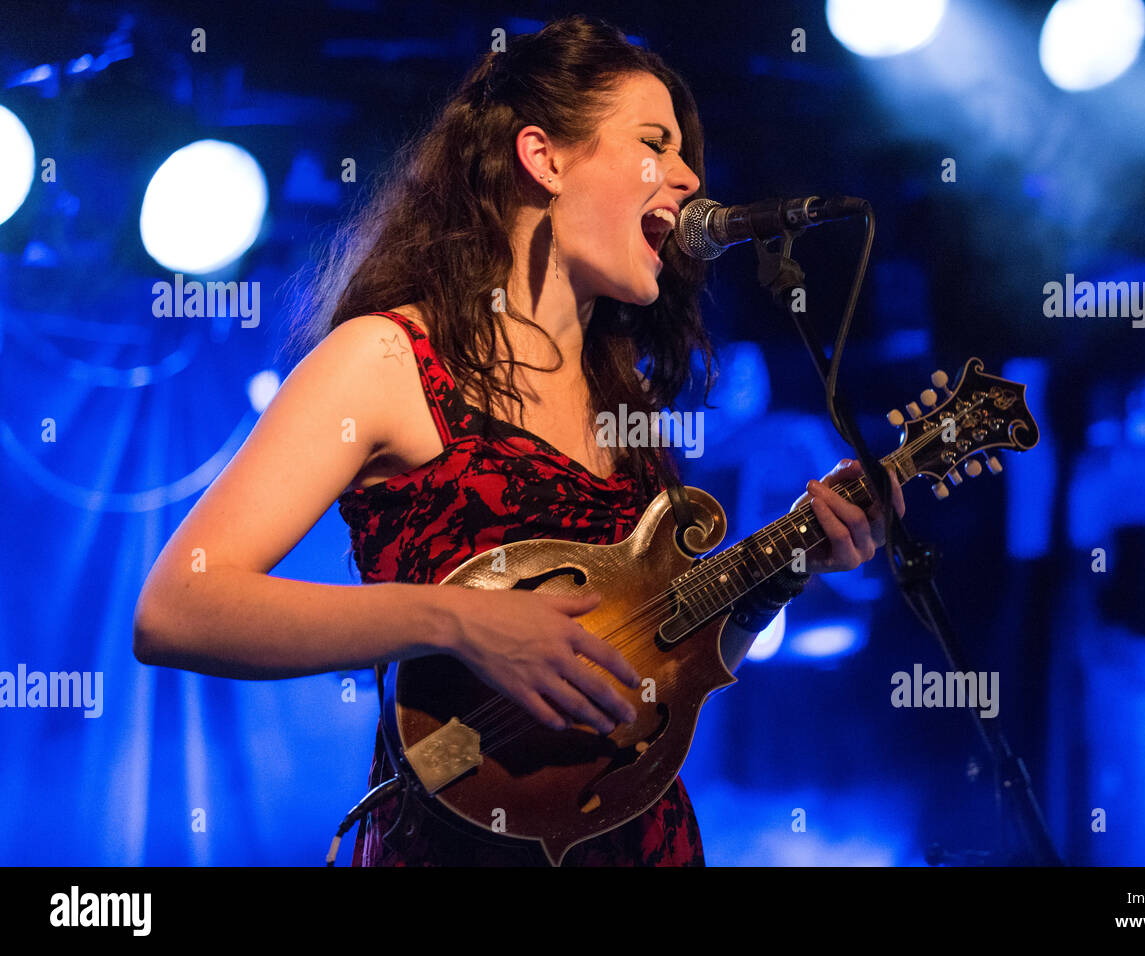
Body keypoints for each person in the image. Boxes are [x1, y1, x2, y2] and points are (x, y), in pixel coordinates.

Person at [132, 15, 903, 866]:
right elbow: (179, 608)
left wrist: (782, 576)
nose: (688, 177)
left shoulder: (628, 398)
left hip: (642, 842)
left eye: (687, 154)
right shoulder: (389, 357)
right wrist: (461, 621)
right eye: (655, 143)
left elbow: (658, 675)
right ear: (545, 158)